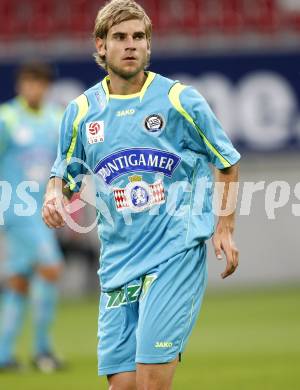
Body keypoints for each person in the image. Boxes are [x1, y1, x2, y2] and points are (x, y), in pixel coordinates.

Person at [42, 0, 240, 388]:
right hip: (118, 261)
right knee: (123, 386)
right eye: (119, 37)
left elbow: (227, 161)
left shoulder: (180, 100)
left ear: (148, 45)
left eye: (139, 37)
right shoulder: (81, 111)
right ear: (101, 45)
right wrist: (54, 195)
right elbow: (64, 175)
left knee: (150, 383)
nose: (130, 44)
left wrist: (225, 226)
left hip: (173, 253)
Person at [0, 63, 64, 372]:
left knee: (19, 282)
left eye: (39, 83)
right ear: (19, 86)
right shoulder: (7, 118)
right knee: (51, 267)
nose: (33, 88)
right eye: (28, 82)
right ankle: (42, 351)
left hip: (43, 212)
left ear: (46, 86)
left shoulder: (56, 119)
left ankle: (4, 355)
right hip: (16, 210)